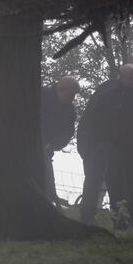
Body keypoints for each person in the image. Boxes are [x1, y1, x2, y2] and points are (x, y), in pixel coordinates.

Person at [77, 64, 133, 228]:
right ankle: (118, 218)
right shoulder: (107, 93)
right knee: (113, 179)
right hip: (112, 145)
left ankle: (132, 218)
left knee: (132, 180)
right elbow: (93, 117)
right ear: (120, 77)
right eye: (129, 78)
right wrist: (95, 142)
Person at [41, 76, 80, 207]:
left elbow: (67, 134)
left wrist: (52, 145)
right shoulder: (42, 96)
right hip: (29, 145)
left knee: (47, 181)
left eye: (74, 95)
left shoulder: (70, 111)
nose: (73, 98)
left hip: (47, 150)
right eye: (71, 94)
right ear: (61, 89)